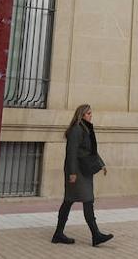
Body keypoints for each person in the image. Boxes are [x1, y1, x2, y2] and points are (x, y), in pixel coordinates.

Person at [52, 104, 113, 247]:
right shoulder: (76, 130)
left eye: (91, 113)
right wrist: (72, 172)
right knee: (85, 200)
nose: (91, 115)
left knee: (70, 201)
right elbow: (71, 153)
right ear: (81, 115)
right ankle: (95, 235)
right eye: (88, 113)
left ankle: (58, 234)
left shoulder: (86, 129)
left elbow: (91, 151)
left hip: (84, 170)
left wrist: (101, 163)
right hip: (76, 171)